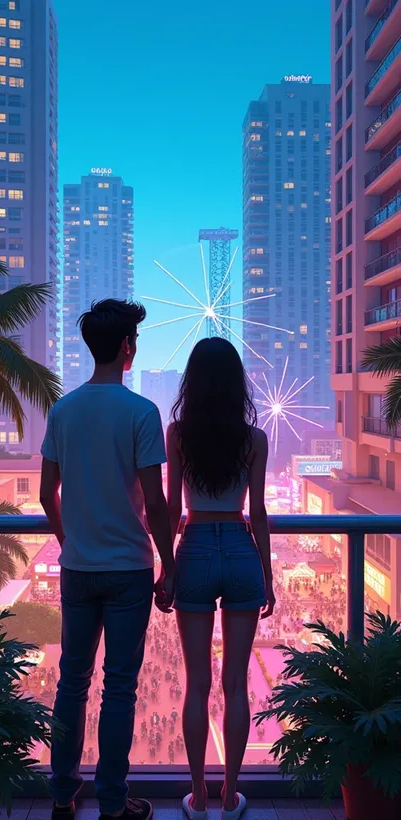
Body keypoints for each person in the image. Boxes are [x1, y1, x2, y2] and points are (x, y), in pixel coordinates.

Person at [40, 299, 175, 820]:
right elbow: (156, 500)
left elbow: (47, 492)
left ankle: (60, 796)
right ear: (126, 348)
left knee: (71, 681)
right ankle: (114, 804)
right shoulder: (141, 413)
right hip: (128, 570)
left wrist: (68, 536)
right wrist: (168, 562)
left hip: (79, 566)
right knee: (120, 685)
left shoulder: (63, 410)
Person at [166, 337, 275, 820]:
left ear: (193, 382)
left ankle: (199, 794)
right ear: (237, 384)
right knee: (234, 683)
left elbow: (171, 511)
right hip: (238, 546)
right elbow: (260, 511)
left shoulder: (179, 433)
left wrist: (166, 569)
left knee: (196, 684)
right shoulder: (254, 439)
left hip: (193, 548)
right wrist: (267, 576)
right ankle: (231, 794)